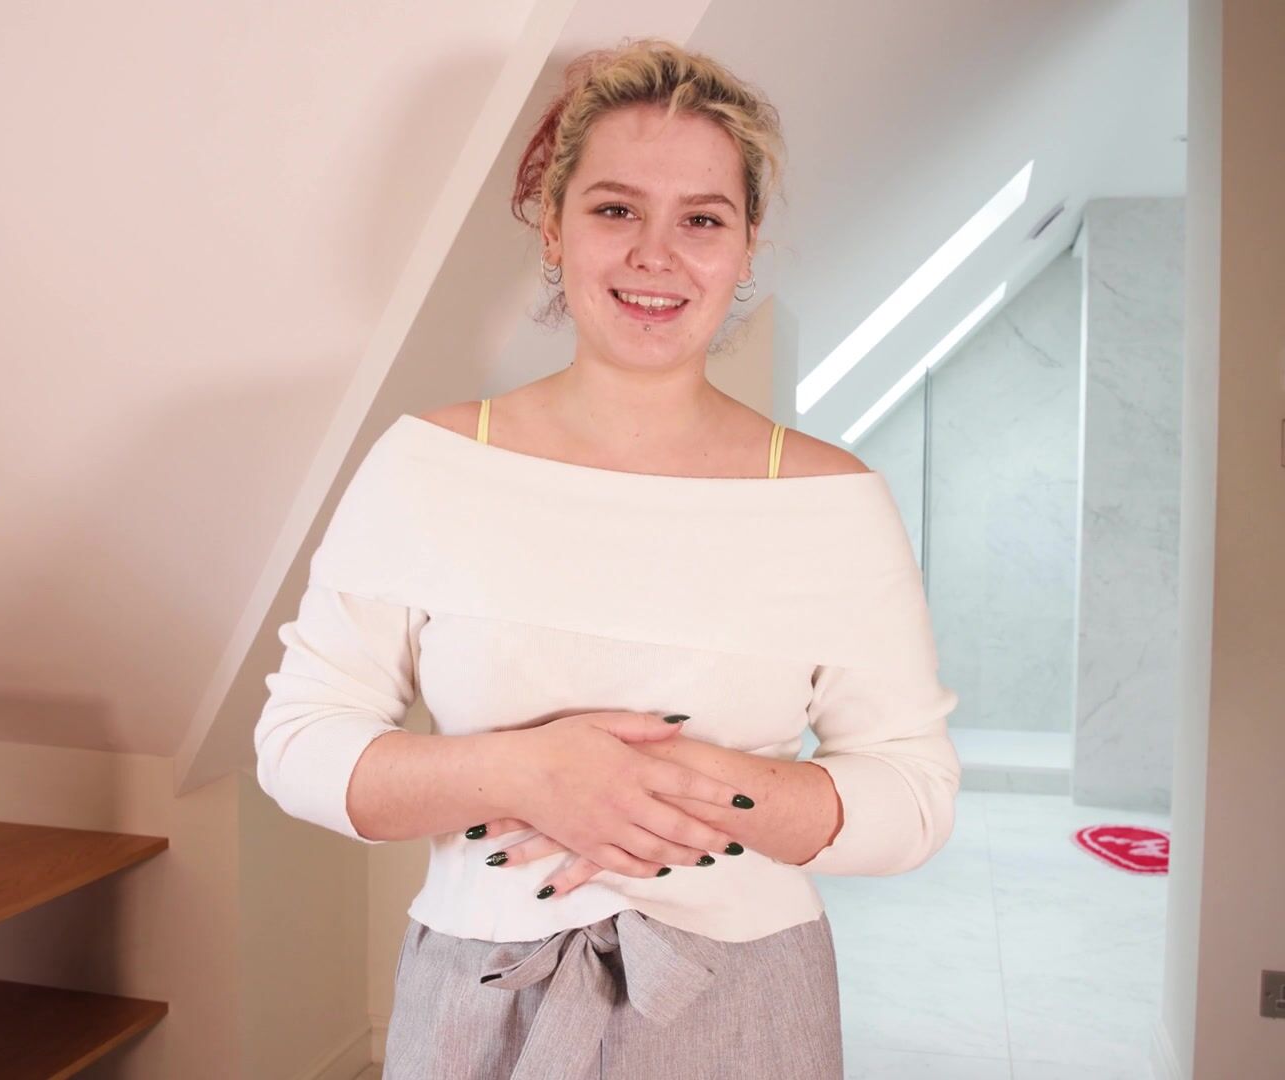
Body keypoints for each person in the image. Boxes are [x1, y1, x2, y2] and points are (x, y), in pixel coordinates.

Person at [253, 37, 962, 1080]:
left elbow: (915, 792)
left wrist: (699, 785)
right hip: (475, 1002)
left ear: (747, 246)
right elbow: (298, 743)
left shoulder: (832, 502)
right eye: (616, 208)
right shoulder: (426, 465)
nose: (655, 255)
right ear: (553, 227)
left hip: (746, 1005)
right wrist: (525, 772)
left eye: (702, 220)